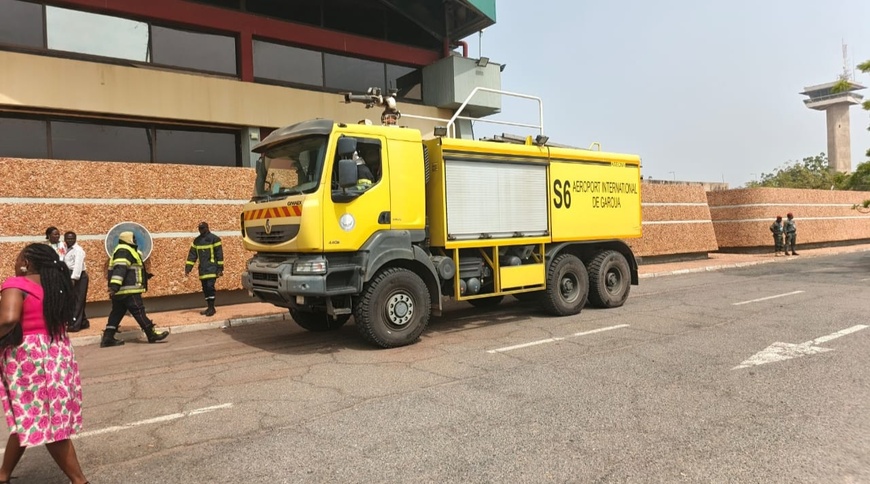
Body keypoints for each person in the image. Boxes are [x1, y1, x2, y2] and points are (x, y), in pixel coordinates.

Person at [0, 244, 89, 484]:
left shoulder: (15, 284)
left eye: (17, 258)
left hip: (29, 358)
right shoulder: (56, 286)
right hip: (58, 353)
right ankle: (3, 475)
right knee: (28, 416)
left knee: (48, 422)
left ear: (26, 262)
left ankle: (80, 481)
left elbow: (8, 320)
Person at [102, 231, 169, 347]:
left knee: (116, 313)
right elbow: (120, 269)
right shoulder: (124, 250)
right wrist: (114, 286)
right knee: (138, 311)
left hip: (121, 290)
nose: (135, 240)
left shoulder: (125, 250)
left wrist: (145, 276)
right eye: (133, 238)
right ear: (127, 239)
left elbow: (130, 269)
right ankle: (151, 333)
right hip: (128, 290)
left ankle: (108, 337)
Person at [185, 222, 224, 317]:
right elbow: (192, 255)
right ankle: (209, 307)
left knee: (210, 287)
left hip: (212, 268)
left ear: (207, 228)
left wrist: (220, 269)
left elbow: (219, 255)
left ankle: (212, 308)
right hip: (202, 269)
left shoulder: (215, 239)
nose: (201, 230)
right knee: (205, 288)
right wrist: (188, 268)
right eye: (199, 228)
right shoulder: (197, 241)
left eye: (202, 228)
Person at [62, 231, 91, 332]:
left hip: (78, 276)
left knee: (77, 301)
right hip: (68, 274)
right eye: (68, 238)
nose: (70, 240)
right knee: (73, 299)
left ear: (75, 238)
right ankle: (83, 322)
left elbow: (78, 266)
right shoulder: (65, 249)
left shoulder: (78, 250)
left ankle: (74, 325)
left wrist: (74, 279)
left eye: (72, 238)